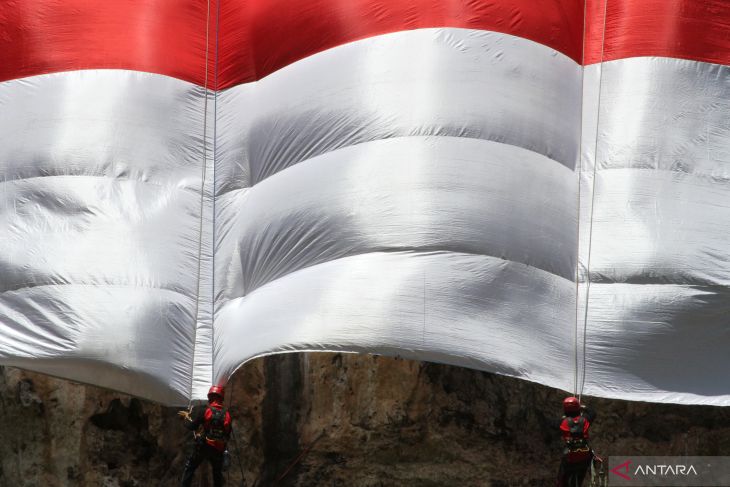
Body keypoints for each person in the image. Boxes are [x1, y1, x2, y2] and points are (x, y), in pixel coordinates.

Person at [179, 385, 233, 487]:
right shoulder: (227, 415)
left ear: (210, 397)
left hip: (204, 446)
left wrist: (185, 419)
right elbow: (227, 433)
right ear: (221, 398)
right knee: (217, 474)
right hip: (218, 449)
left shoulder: (206, 410)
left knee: (190, 467)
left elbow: (192, 426)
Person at [556, 396, 596, 487]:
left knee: (562, 480)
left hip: (570, 457)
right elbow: (592, 413)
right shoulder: (585, 420)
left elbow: (551, 425)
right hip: (584, 456)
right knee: (578, 481)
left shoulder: (562, 422)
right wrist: (583, 407)